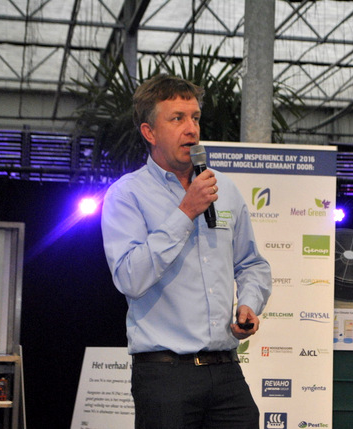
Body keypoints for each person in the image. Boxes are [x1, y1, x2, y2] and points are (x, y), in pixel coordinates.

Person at [101, 73, 272, 429]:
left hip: (226, 372)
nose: (191, 129)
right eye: (177, 118)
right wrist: (186, 212)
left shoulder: (224, 188)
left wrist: (248, 304)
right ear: (149, 132)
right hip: (165, 376)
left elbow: (252, 264)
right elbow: (130, 278)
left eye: (194, 117)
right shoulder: (127, 195)